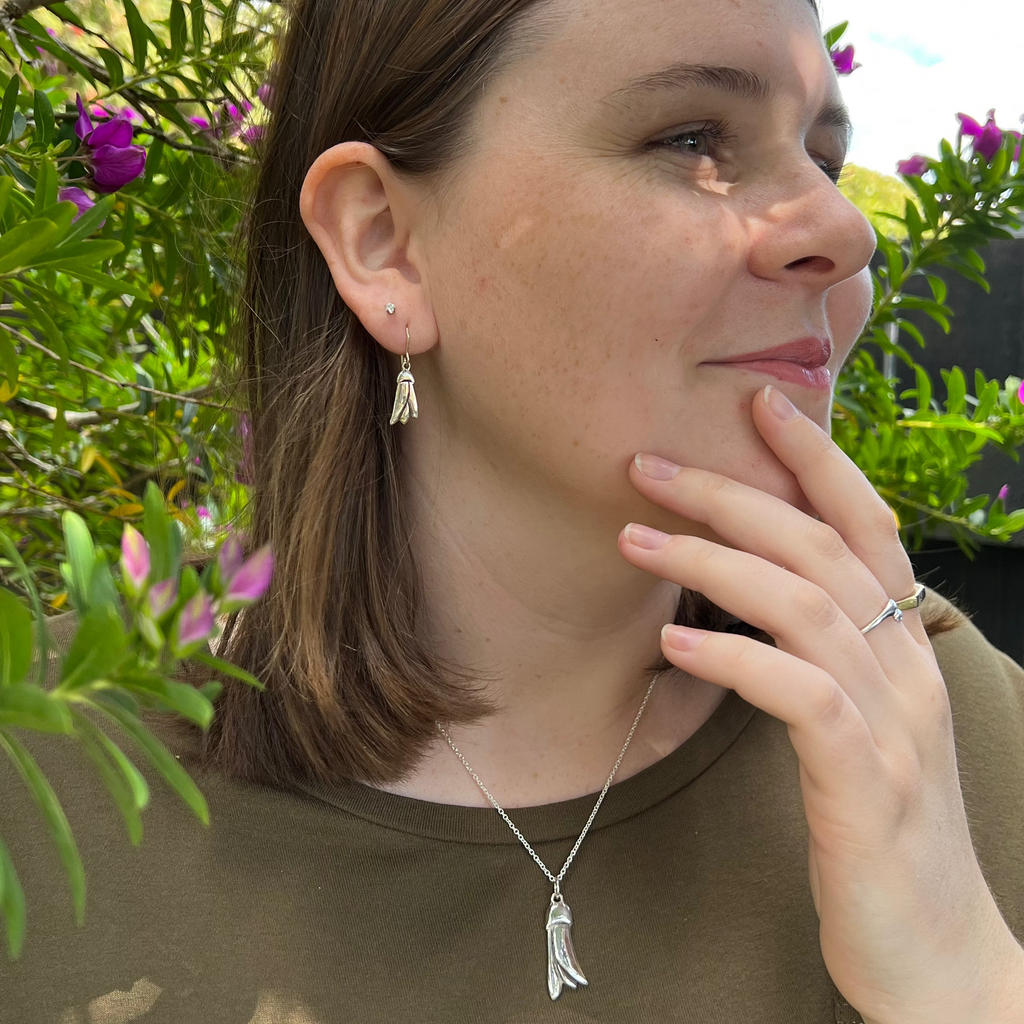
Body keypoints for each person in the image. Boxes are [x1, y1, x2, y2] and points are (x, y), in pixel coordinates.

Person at [4, 0, 1024, 1020]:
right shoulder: (37, 760)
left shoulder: (971, 739)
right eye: (691, 140)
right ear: (384, 242)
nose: (843, 233)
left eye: (824, 159)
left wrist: (965, 976)